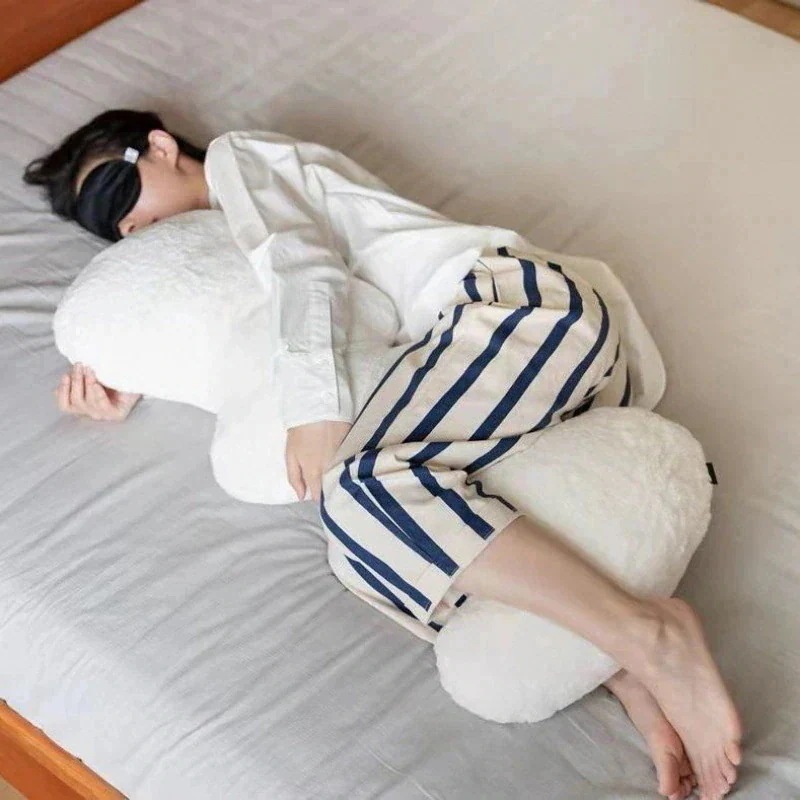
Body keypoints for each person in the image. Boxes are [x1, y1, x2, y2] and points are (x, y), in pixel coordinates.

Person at [25, 109, 742, 800]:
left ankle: (648, 635)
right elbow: (220, 335)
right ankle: (620, 667)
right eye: (110, 229)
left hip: (516, 309)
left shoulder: (238, 160)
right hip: (494, 371)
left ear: (159, 146)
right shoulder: (224, 236)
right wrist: (137, 381)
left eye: (117, 193)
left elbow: (306, 269)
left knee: (362, 492)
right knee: (367, 552)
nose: (128, 227)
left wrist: (315, 408)